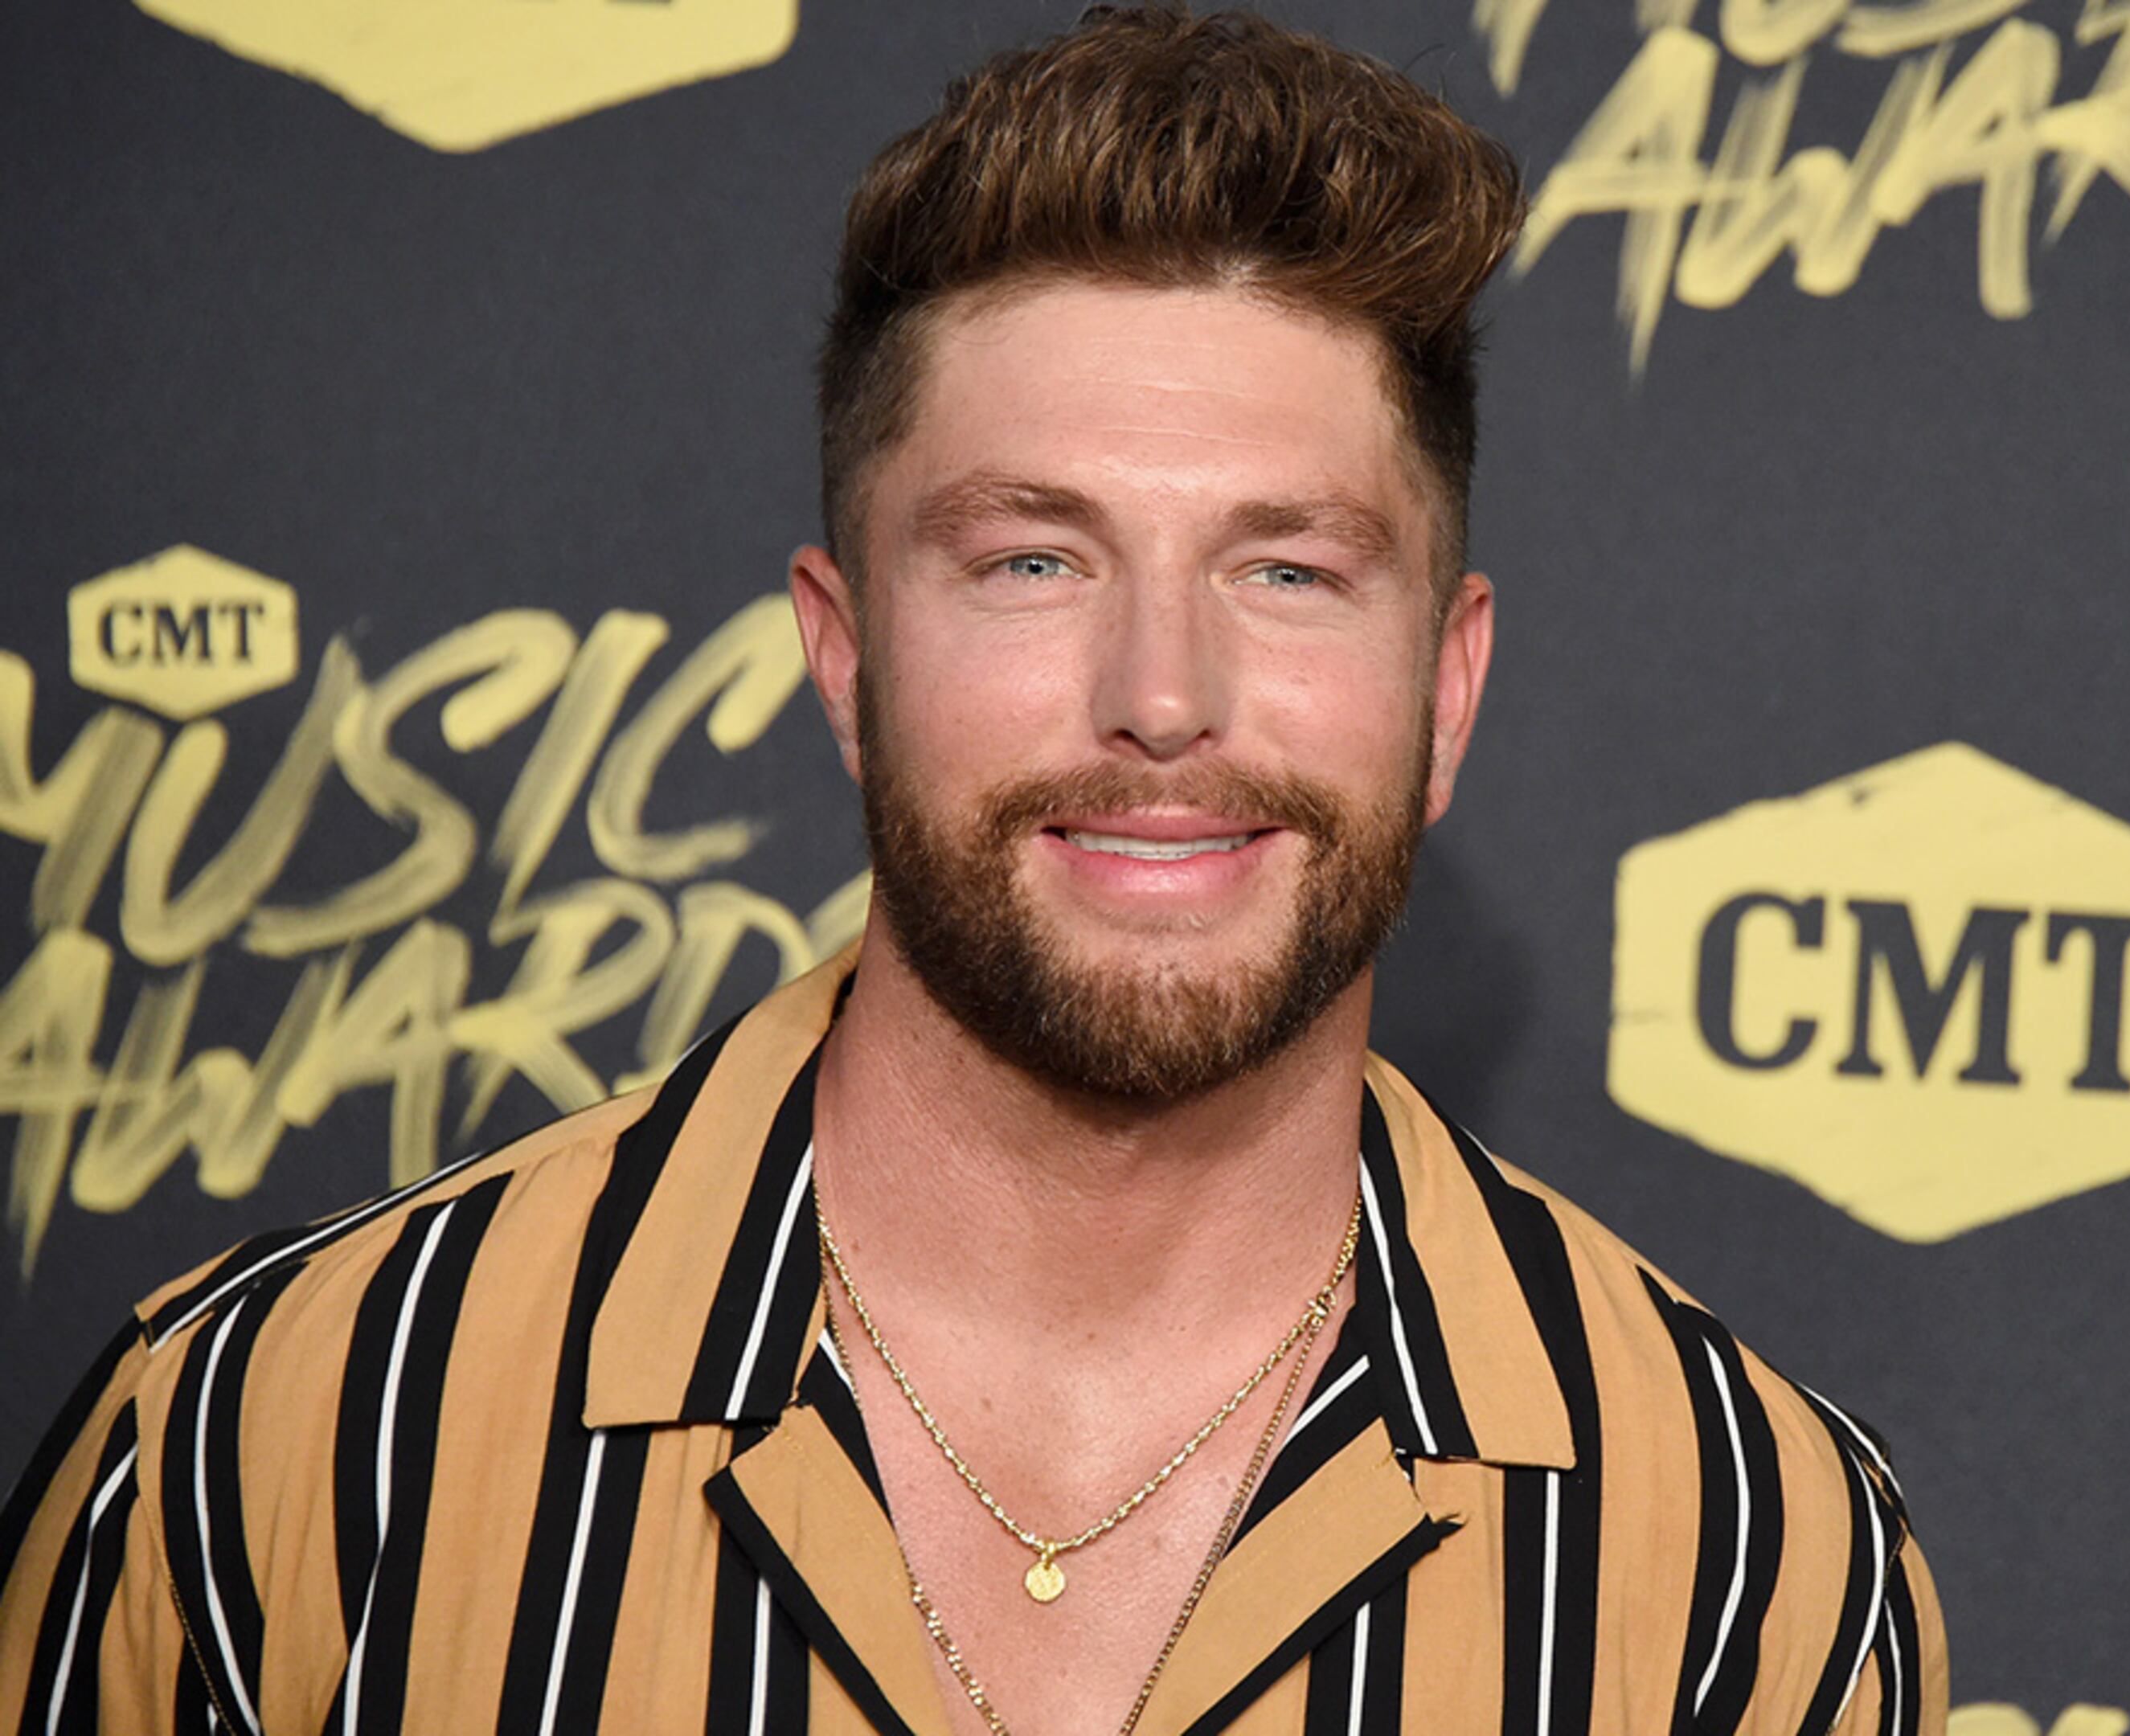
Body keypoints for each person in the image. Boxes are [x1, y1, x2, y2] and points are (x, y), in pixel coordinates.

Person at [0, 9, 1943, 1731]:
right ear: (848, 661)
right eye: (1034, 560)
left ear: (1445, 690)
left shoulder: (1746, 1577)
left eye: (1286, 569)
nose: (1161, 698)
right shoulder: (262, 1456)